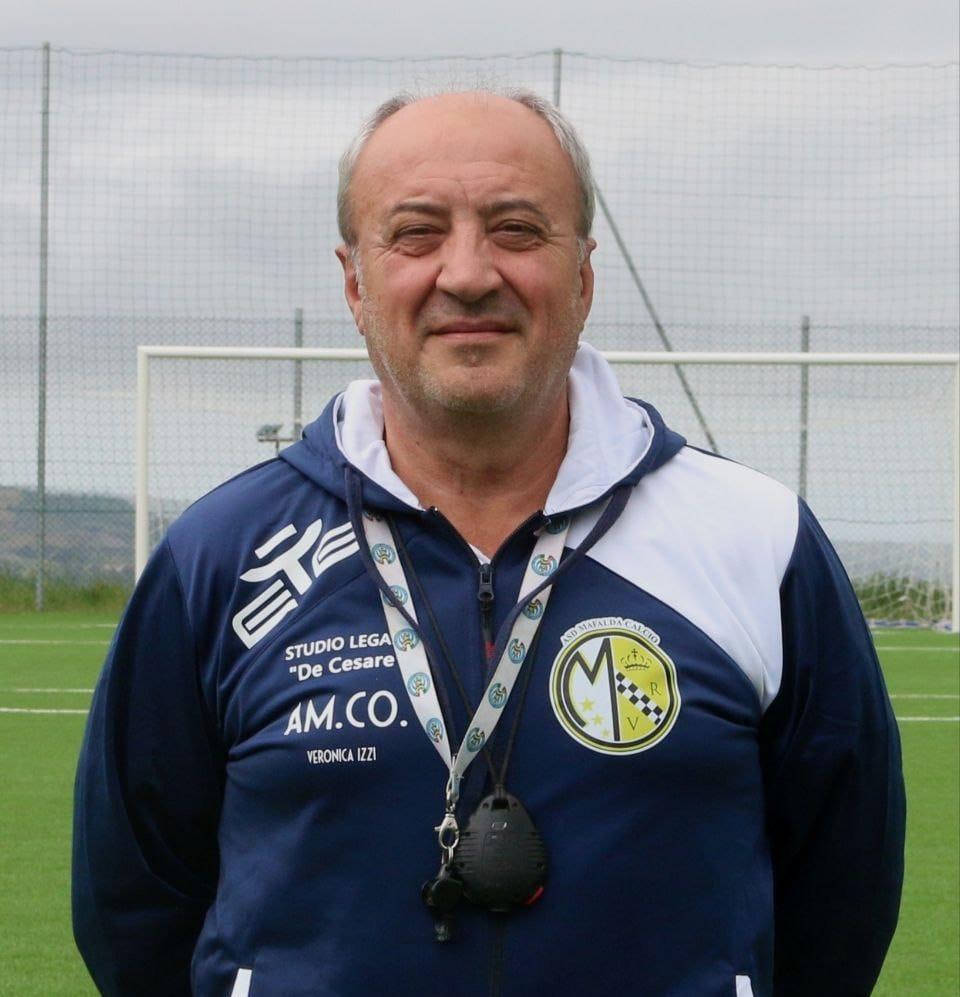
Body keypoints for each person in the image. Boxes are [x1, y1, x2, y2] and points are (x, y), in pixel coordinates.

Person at [73, 90, 905, 997]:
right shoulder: (222, 556)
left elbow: (842, 898)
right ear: (355, 284)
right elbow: (136, 907)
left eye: (515, 230)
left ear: (583, 277)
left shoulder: (756, 539)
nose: (468, 273)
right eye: (416, 234)